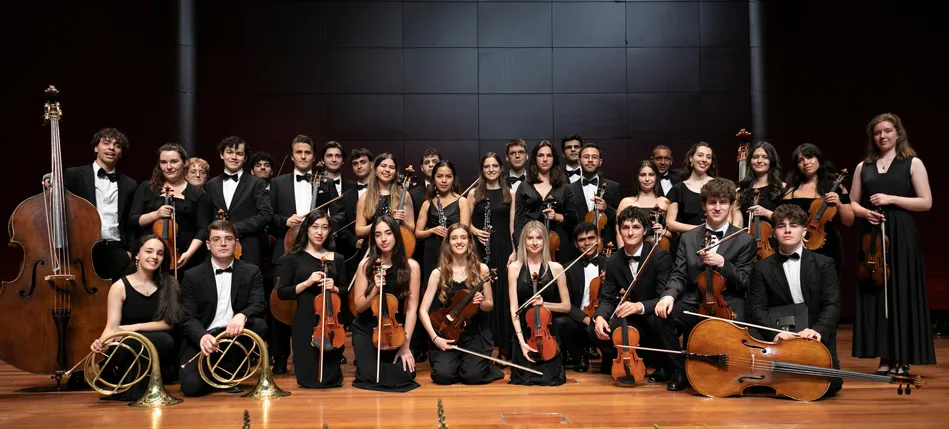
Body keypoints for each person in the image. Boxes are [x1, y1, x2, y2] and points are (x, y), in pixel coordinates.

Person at [850, 113, 934, 375]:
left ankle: (903, 357)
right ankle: (884, 356)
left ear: (898, 133)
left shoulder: (912, 163)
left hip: (902, 234)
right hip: (872, 236)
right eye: (877, 132)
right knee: (876, 293)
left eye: (887, 131)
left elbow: (926, 202)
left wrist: (891, 199)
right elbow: (851, 203)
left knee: (902, 292)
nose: (882, 136)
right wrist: (865, 213)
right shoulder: (863, 166)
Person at [653, 178, 756, 391]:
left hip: (728, 301)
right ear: (703, 205)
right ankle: (680, 370)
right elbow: (679, 274)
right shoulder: (689, 238)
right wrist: (668, 295)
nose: (717, 208)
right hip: (695, 300)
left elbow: (746, 281)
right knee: (663, 316)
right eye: (712, 203)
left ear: (730, 205)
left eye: (723, 202)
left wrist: (724, 264)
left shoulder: (744, 240)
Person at [748, 204, 842, 397]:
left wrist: (817, 331)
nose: (788, 230)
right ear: (774, 233)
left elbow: (832, 305)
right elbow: (757, 309)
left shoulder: (824, 264)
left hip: (813, 332)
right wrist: (775, 334)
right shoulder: (762, 268)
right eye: (781, 226)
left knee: (830, 385)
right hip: (780, 335)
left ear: (804, 231)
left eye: (794, 225)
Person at [178, 220, 267, 397]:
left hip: (234, 336)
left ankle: (229, 369)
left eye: (228, 238)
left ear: (236, 242)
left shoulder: (252, 271)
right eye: (217, 239)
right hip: (205, 335)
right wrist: (202, 336)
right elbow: (187, 316)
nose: (223, 243)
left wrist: (242, 315)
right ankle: (222, 376)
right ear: (208, 245)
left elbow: (258, 304)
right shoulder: (192, 275)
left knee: (259, 325)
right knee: (191, 387)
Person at [90, 235, 181, 401]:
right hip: (128, 345)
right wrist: (101, 344)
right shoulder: (119, 287)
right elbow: (112, 326)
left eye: (160, 253)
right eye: (149, 251)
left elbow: (170, 324)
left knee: (163, 340)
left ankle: (129, 388)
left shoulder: (170, 283)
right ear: (137, 254)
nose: (154, 256)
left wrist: (134, 327)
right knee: (128, 343)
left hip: (160, 345)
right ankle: (138, 388)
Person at [591, 207, 672, 382]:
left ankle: (661, 363)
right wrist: (599, 316)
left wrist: (639, 306)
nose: (630, 232)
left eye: (635, 227)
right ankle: (621, 361)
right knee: (596, 328)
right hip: (630, 319)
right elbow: (608, 297)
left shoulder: (659, 256)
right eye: (625, 227)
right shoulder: (612, 261)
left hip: (650, 315)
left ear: (644, 230)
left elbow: (663, 296)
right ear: (619, 231)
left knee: (660, 318)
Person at [267, 134, 325, 372]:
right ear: (292, 156)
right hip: (286, 251)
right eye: (299, 152)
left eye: (308, 152)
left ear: (313, 156)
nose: (303, 156)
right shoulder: (278, 183)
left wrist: (324, 221)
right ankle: (279, 359)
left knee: (314, 304)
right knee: (281, 303)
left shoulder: (326, 183)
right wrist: (285, 221)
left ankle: (314, 355)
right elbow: (268, 217)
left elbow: (341, 215)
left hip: (317, 252)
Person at [419, 224, 504, 385]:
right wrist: (435, 338)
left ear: (470, 242)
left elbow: (489, 305)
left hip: (474, 333)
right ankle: (460, 363)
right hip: (447, 333)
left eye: (463, 237)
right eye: (454, 238)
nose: (459, 242)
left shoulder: (482, 269)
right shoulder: (438, 273)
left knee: (473, 377)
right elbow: (423, 310)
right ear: (448, 243)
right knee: (442, 376)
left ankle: (477, 365)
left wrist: (481, 303)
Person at [276, 210, 347, 388]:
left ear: (329, 231)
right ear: (306, 229)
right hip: (306, 319)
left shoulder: (337, 258)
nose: (319, 232)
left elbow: (345, 290)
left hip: (331, 320)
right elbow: (282, 292)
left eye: (324, 228)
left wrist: (335, 287)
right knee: (308, 379)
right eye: (315, 227)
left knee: (331, 378)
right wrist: (307, 283)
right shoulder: (293, 258)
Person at [350, 216, 421, 392]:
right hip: (367, 328)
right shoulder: (365, 265)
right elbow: (359, 306)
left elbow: (412, 308)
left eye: (388, 233)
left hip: (396, 330)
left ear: (396, 235)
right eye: (378, 234)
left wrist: (405, 345)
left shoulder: (411, 266)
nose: (383, 239)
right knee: (371, 376)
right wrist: (375, 288)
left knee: (402, 376)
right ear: (373, 239)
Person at [56, 128, 138, 282]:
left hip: (117, 253)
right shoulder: (74, 175)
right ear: (96, 148)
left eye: (117, 145)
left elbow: (131, 221)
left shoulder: (130, 184)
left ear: (121, 153)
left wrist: (129, 252)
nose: (111, 148)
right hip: (83, 252)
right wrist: (49, 179)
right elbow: (58, 204)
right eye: (106, 143)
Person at [129, 143, 210, 273]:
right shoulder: (147, 188)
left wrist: (189, 254)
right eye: (163, 162)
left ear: (184, 163)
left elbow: (203, 228)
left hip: (185, 255)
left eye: (174, 162)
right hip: (150, 258)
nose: (168, 167)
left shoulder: (197, 193)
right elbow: (133, 220)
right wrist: (157, 214)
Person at [507, 221, 569, 386]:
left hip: (547, 330)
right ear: (523, 241)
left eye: (539, 238)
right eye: (530, 238)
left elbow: (566, 306)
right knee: (524, 379)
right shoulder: (514, 268)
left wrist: (545, 304)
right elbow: (514, 308)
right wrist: (521, 341)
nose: (534, 242)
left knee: (551, 379)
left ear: (545, 241)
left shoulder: (556, 268)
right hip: (525, 332)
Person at [468, 152, 514, 360]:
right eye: (487, 166)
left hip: (503, 249)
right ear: (482, 170)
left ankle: (504, 348)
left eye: (495, 166)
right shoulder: (473, 194)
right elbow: (464, 222)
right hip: (480, 249)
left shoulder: (509, 193)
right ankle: (484, 346)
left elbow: (513, 225)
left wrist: (514, 251)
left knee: (502, 297)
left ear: (501, 168)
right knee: (483, 297)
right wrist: (477, 232)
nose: (491, 170)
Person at [782, 143, 854, 275]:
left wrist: (839, 204)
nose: (806, 162)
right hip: (799, 244)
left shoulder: (836, 186)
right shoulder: (791, 191)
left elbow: (849, 221)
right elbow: (783, 219)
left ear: (818, 159)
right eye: (800, 160)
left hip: (830, 245)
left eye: (810, 157)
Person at [204, 136, 272, 266]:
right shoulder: (211, 184)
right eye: (229, 152)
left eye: (239, 154)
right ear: (221, 155)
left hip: (248, 248)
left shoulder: (256, 183)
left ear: (245, 158)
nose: (234, 157)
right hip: (217, 248)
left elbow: (265, 214)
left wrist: (234, 229)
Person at [512, 140, 578, 265]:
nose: (545, 159)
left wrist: (557, 216)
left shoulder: (564, 186)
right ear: (535, 159)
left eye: (549, 155)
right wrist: (519, 248)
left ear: (554, 159)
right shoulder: (524, 186)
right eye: (541, 155)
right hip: (531, 244)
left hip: (559, 245)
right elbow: (519, 221)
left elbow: (573, 218)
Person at [415, 160, 470, 281]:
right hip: (432, 251)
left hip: (455, 252)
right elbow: (417, 234)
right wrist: (432, 230)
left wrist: (452, 234)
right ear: (433, 180)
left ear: (453, 179)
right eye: (439, 176)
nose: (444, 181)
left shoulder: (462, 201)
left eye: (448, 177)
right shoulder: (427, 204)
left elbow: (466, 233)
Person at [560, 222, 603, 372]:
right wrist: (585, 318)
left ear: (598, 239)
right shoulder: (567, 268)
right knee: (562, 322)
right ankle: (580, 356)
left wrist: (599, 317)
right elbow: (566, 303)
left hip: (603, 317)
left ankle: (609, 358)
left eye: (591, 238)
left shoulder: (610, 264)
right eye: (581, 240)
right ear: (576, 244)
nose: (587, 243)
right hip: (579, 318)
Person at [566, 143, 621, 250]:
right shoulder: (568, 189)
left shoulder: (613, 187)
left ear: (600, 162)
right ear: (579, 161)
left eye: (594, 157)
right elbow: (568, 221)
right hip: (578, 249)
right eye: (586, 157)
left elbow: (620, 219)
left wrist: (607, 209)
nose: (590, 160)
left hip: (607, 247)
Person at [355, 153, 416, 239]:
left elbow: (412, 230)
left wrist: (402, 221)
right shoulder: (365, 197)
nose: (387, 170)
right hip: (373, 246)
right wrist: (379, 224)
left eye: (391, 167)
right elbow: (359, 231)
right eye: (383, 166)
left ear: (395, 173)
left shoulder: (404, 195)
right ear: (375, 170)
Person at [733, 142, 784, 234]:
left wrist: (766, 212)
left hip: (774, 241)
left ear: (772, 161)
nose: (759, 161)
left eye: (765, 157)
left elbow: (788, 220)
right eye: (755, 157)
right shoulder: (741, 190)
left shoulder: (781, 188)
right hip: (747, 241)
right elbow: (738, 223)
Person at [616, 161, 670, 248]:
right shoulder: (626, 202)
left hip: (660, 252)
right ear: (637, 177)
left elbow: (675, 235)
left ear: (656, 177)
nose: (647, 179)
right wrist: (624, 256)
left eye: (651, 175)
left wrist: (663, 232)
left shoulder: (665, 202)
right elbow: (619, 232)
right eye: (643, 175)